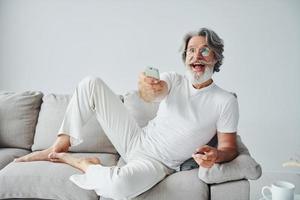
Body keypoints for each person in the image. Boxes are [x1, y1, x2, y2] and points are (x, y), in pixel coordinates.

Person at [15, 28, 239, 199]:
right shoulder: (174, 80)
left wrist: (216, 155)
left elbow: (229, 148)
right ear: (185, 58)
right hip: (135, 139)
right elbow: (155, 92)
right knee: (90, 83)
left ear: (216, 57)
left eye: (204, 50)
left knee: (118, 188)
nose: (196, 56)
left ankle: (82, 163)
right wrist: (148, 87)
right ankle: (59, 146)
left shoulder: (225, 101)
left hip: (159, 163)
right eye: (191, 50)